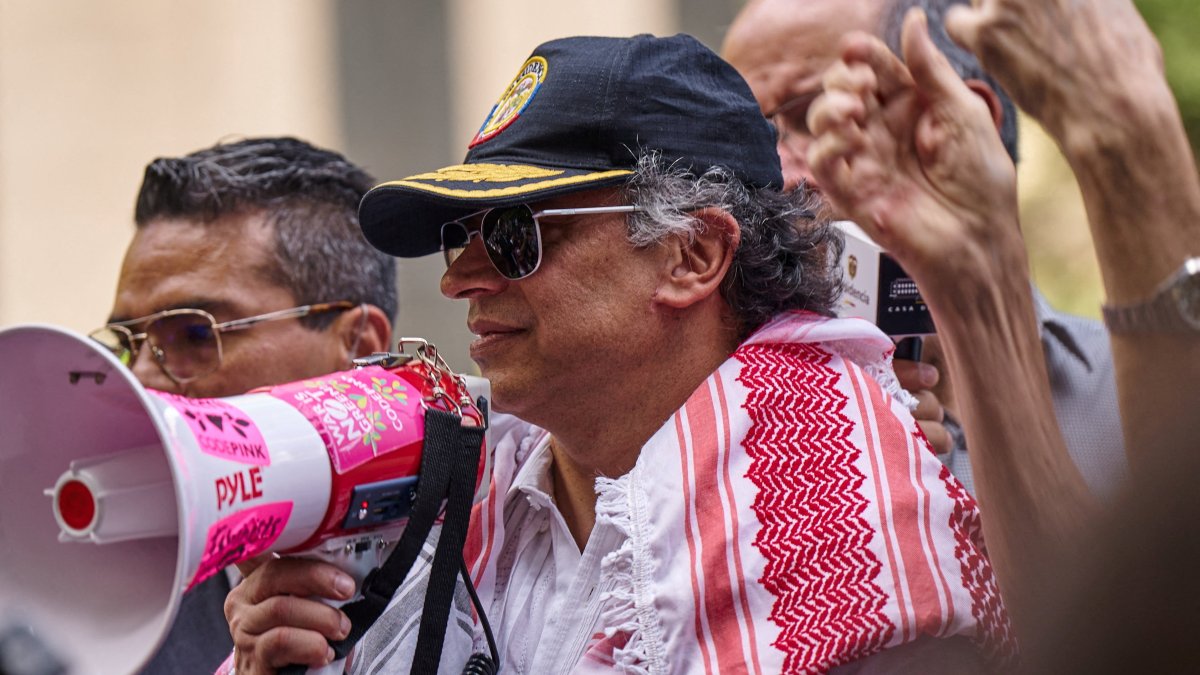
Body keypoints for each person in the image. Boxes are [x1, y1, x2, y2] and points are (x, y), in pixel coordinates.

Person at [226, 34, 1013, 674]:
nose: (461, 277)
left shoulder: (847, 526)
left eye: (514, 234)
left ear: (694, 254)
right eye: (459, 235)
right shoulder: (453, 482)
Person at [804, 0, 1200, 646]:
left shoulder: (1125, 385)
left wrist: (1129, 148)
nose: (784, 173)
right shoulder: (770, 448)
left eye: (805, 117)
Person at [722, 0, 1128, 499]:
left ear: (963, 125)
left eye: (814, 117)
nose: (771, 179)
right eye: (748, 139)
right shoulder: (724, 446)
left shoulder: (1153, 397)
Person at [89, 136, 396, 674]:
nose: (138, 377)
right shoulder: (96, 613)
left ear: (359, 348)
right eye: (127, 342)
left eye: (194, 332)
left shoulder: (492, 557)